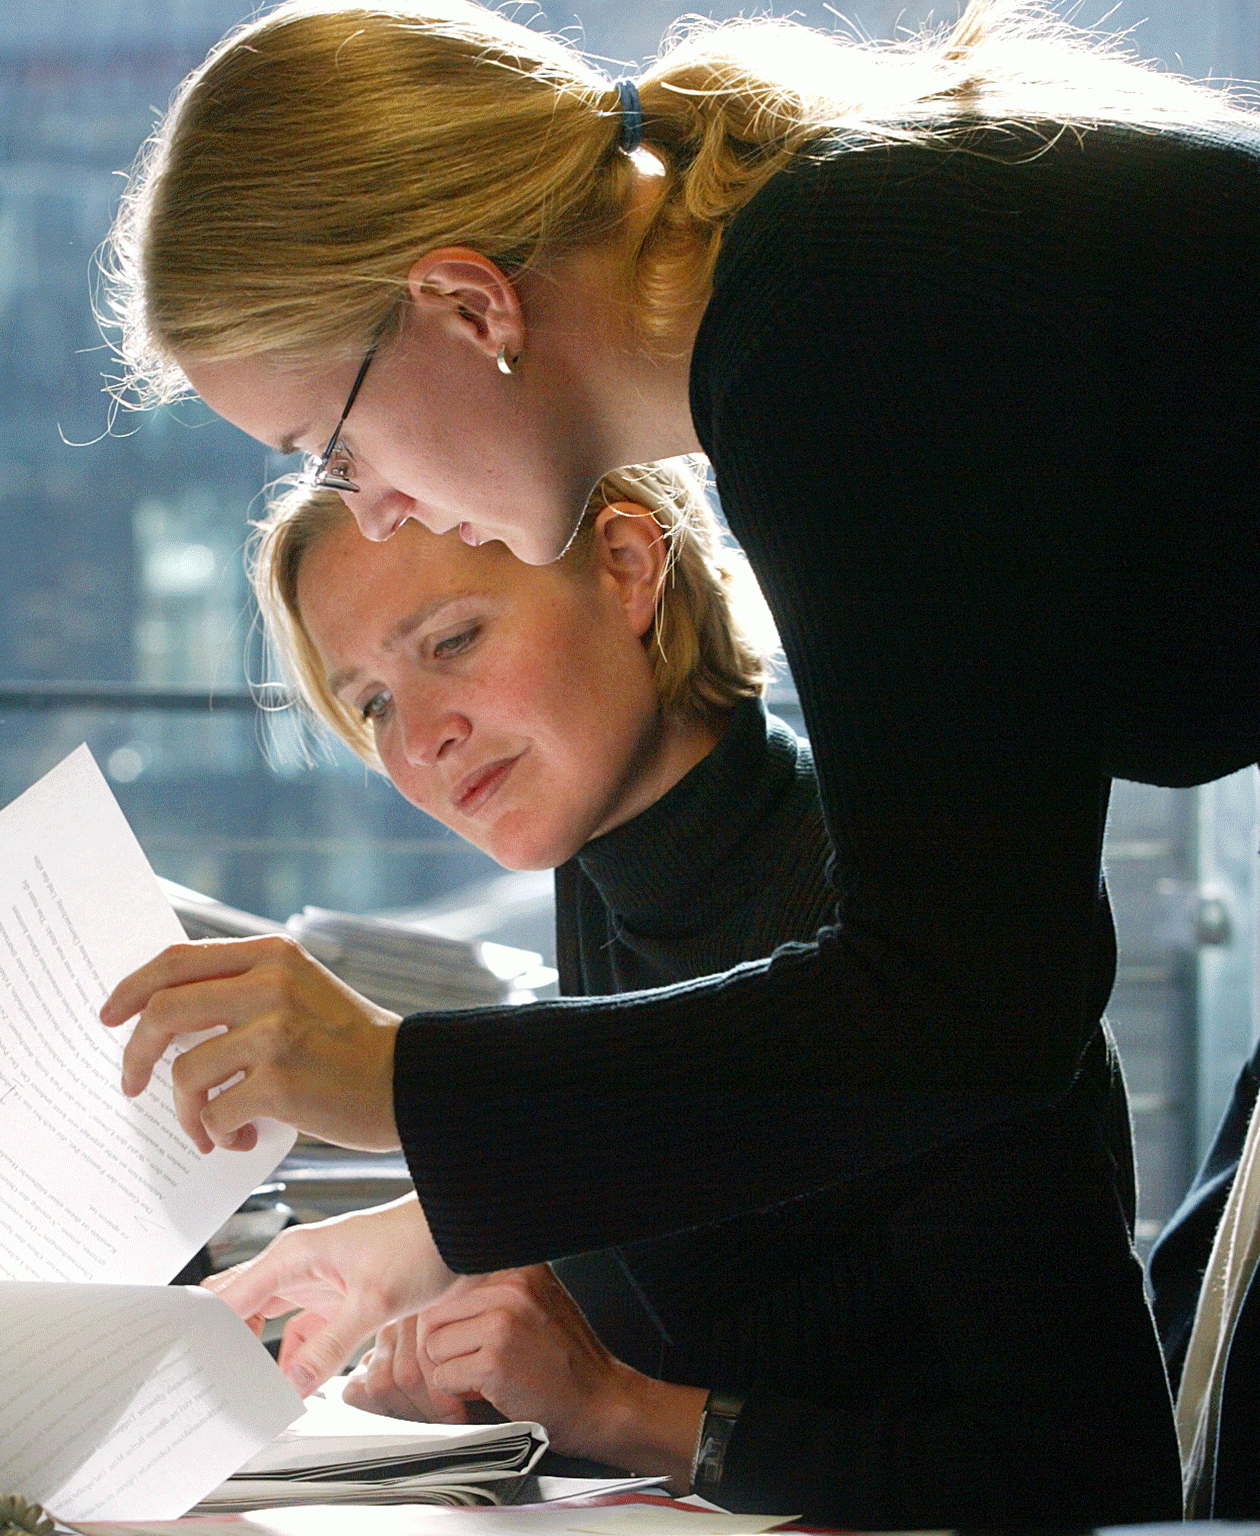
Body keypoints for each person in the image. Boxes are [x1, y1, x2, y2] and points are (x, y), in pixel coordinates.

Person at [90, 5, 1259, 1501]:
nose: (370, 509)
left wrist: (403, 1084)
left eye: (331, 444)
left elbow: (972, 995)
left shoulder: (840, 314)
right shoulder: (832, 268)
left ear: (464, 303)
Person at [244, 468, 1173, 1524]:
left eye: (451, 641)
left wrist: (616, 1408)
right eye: (368, 702)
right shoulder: (601, 865)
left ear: (629, 568)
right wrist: (489, 1289)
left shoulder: (887, 922)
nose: (417, 740)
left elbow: (1094, 1474)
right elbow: (730, 1195)